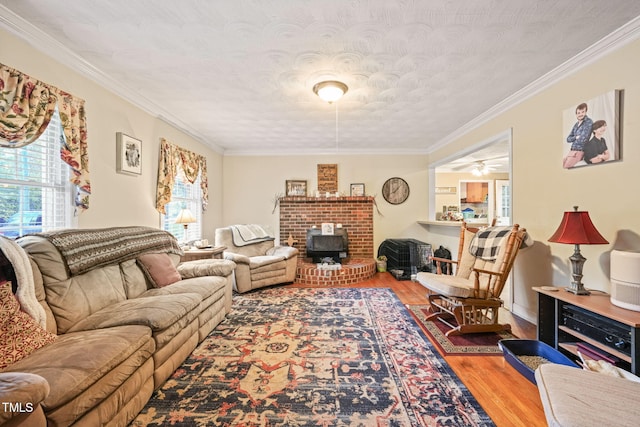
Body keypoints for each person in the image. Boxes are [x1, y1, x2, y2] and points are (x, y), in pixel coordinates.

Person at [563, 102, 593, 168]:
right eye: (578, 113)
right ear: (576, 114)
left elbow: (583, 139)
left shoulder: (588, 122)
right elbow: (568, 139)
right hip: (571, 151)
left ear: (585, 112)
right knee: (562, 163)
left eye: (582, 112)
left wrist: (574, 139)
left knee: (565, 167)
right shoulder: (576, 125)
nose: (580, 114)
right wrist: (576, 137)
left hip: (579, 151)